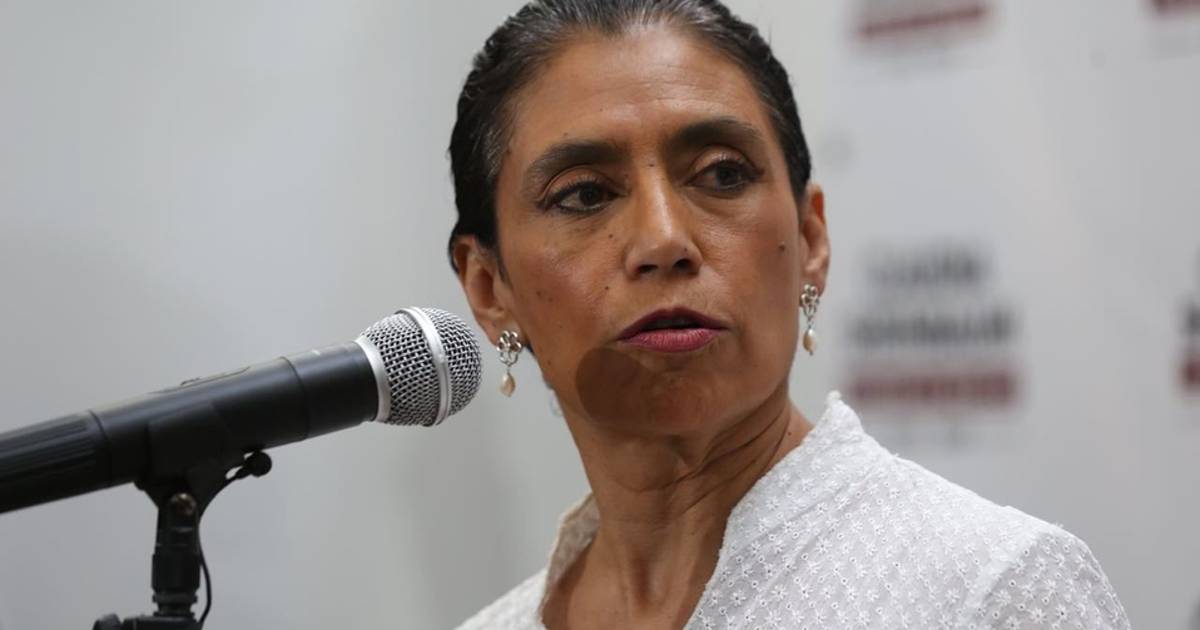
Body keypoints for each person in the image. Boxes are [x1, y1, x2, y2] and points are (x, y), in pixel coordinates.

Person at [445, 1, 1130, 628]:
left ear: (810, 240)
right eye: (585, 194)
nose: (663, 240)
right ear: (488, 287)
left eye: (722, 174)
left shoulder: (991, 591)